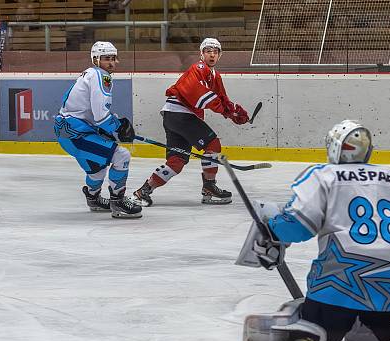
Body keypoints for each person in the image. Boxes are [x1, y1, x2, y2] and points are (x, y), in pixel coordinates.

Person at [245, 120, 390, 341]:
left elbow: (296, 227)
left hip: (338, 288)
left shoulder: (323, 175)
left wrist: (272, 226)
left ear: (333, 148)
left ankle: (311, 338)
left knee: (313, 324)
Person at [130, 37, 250, 207]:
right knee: (213, 145)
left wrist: (233, 113)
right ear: (201, 54)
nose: (212, 55)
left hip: (174, 117)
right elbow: (197, 92)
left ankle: (143, 191)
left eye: (215, 52)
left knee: (176, 162)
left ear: (220, 55)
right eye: (208, 51)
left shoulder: (215, 76)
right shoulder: (198, 68)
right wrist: (227, 110)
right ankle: (209, 187)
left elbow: (222, 99)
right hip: (181, 115)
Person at [54, 41, 142, 219]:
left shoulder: (92, 73)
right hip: (76, 134)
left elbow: (94, 114)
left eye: (113, 58)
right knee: (121, 156)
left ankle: (93, 198)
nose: (111, 62)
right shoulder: (102, 76)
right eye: (106, 58)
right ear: (96, 60)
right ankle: (117, 202)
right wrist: (119, 127)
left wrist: (113, 126)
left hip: (70, 131)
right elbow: (101, 116)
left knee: (98, 169)